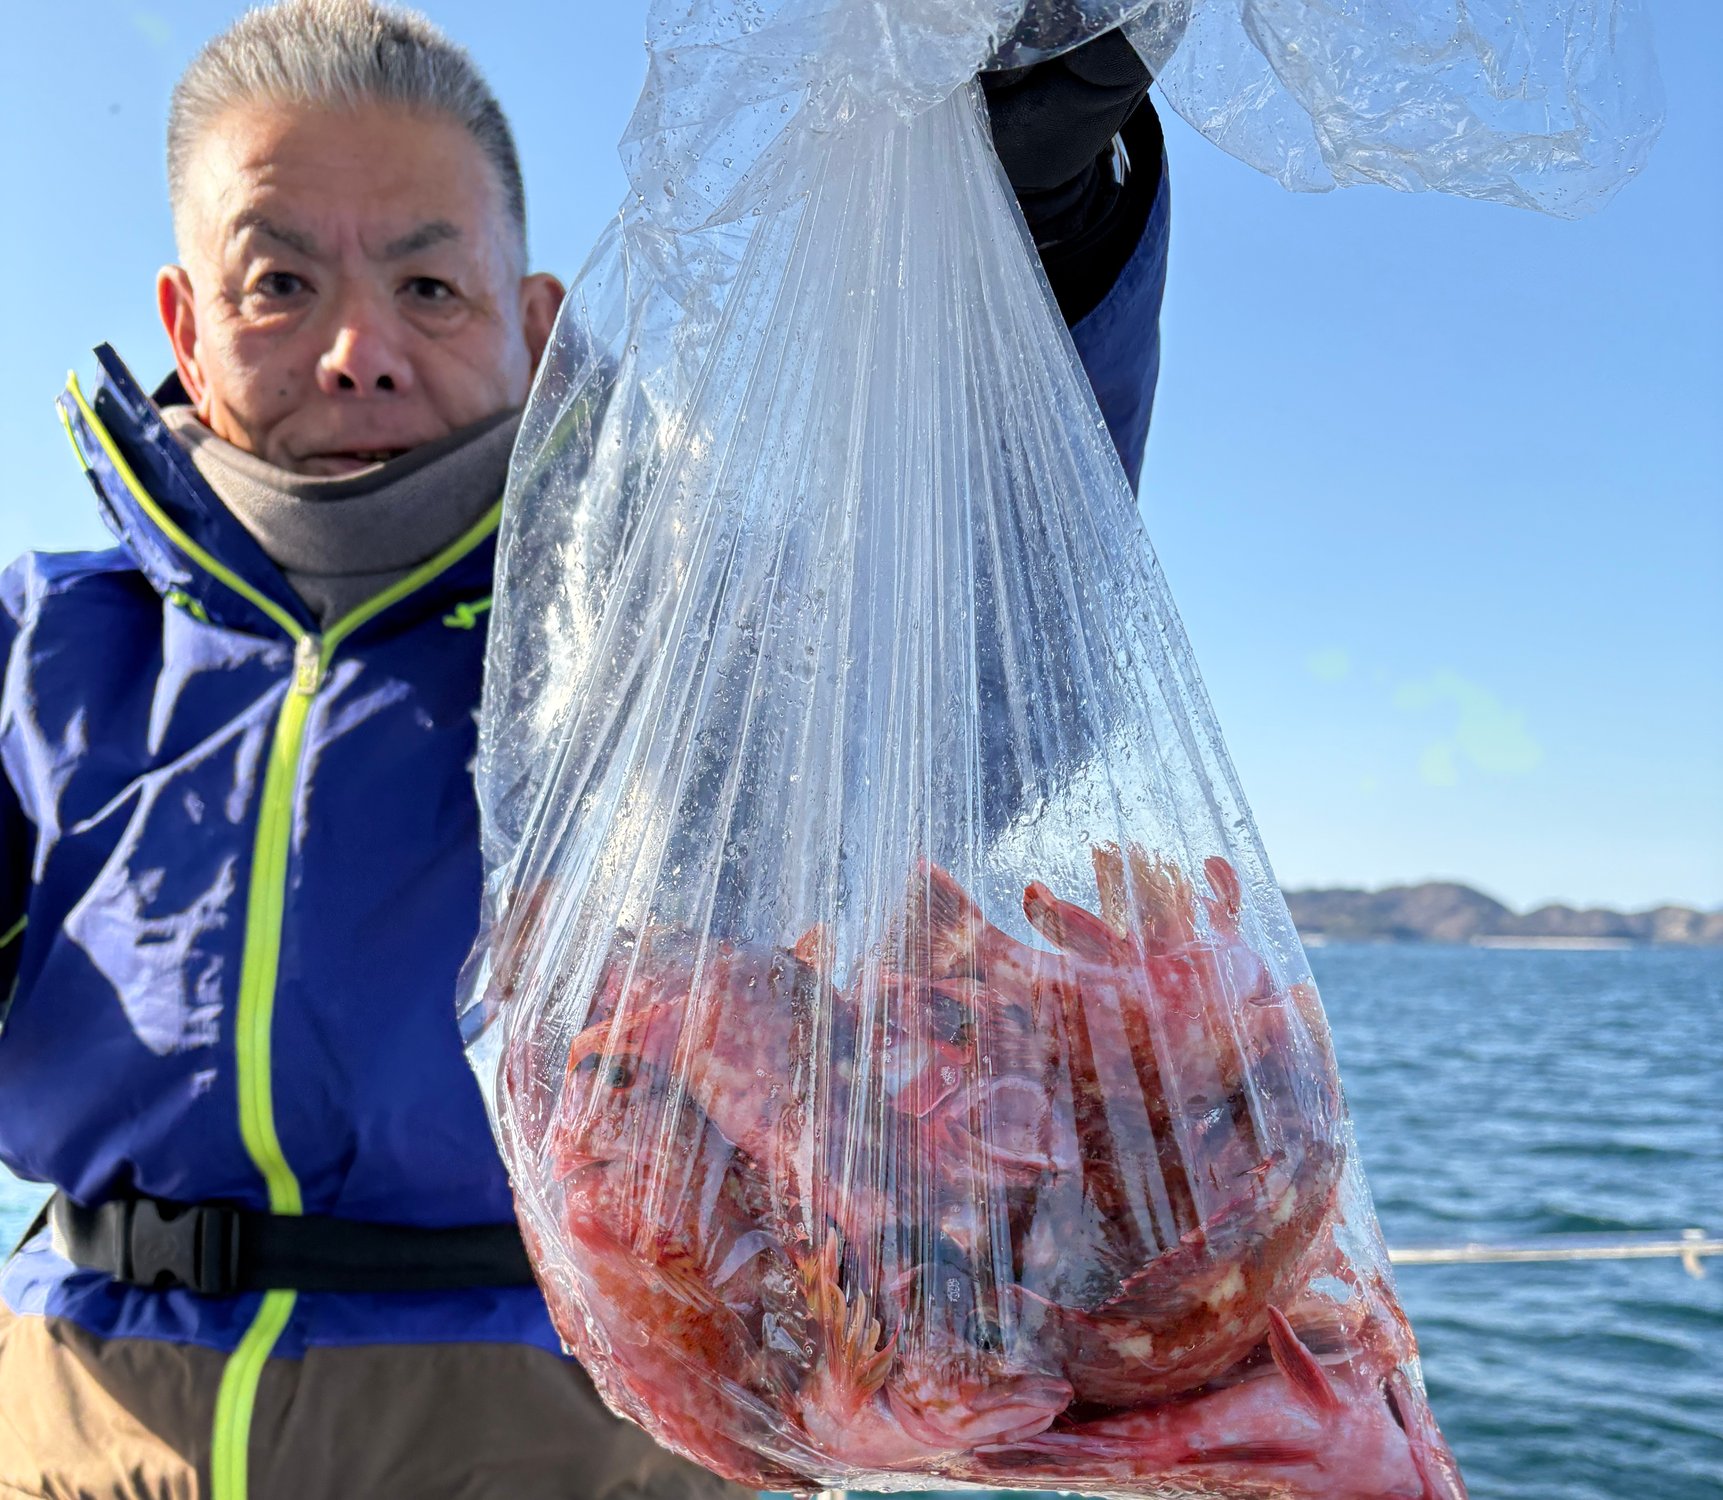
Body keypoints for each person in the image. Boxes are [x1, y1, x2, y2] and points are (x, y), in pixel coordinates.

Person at [0, 2, 1169, 1496]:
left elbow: (963, 691)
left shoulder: (674, 634)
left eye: (429, 283)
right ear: (184, 322)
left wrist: (1033, 237)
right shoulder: (43, 646)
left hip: (588, 1427)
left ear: (534, 323)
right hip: (81, 1427)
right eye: (279, 282)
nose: (358, 350)